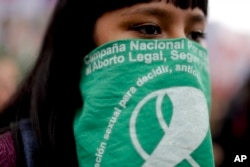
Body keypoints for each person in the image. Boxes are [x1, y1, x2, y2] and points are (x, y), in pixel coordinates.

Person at [0, 0, 214, 167]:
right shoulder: (10, 156)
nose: (182, 52)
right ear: (80, 39)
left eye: (195, 35)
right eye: (149, 29)